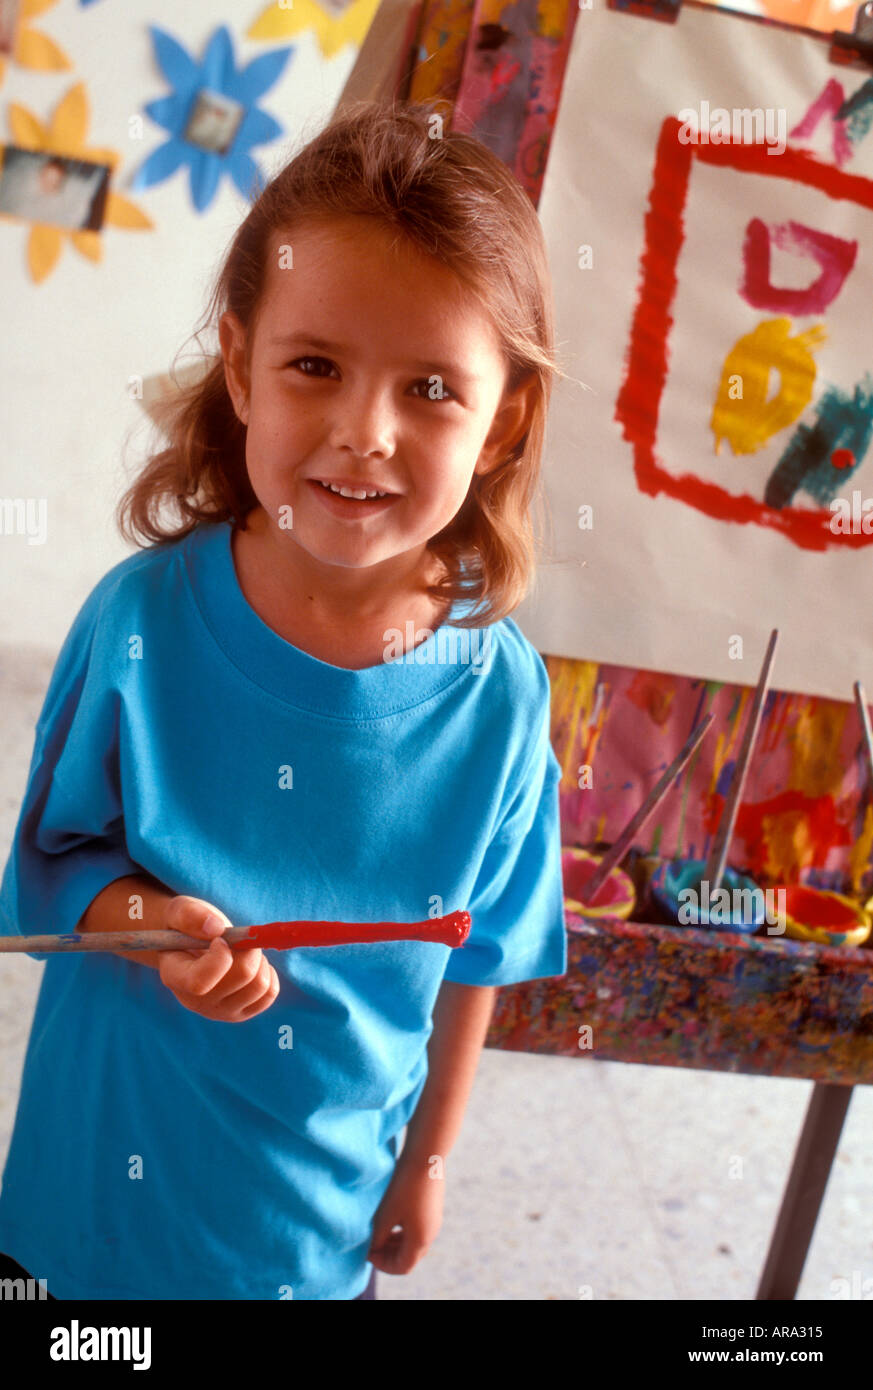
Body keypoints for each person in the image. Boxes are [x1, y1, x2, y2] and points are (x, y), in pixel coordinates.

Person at [0, 98, 568, 1301]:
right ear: (241, 364)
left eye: (431, 389)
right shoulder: (139, 622)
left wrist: (430, 1162)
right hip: (85, 1216)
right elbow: (47, 869)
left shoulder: (505, 697)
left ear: (504, 417)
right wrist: (148, 927)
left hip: (308, 1245)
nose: (364, 434)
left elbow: (481, 962)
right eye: (316, 366)